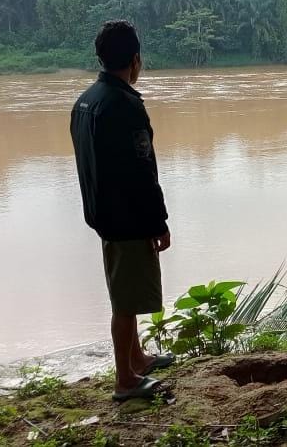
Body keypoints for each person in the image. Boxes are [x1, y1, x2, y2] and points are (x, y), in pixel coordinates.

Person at [70, 20, 175, 401]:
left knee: (123, 291)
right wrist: (158, 220)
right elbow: (143, 168)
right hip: (129, 217)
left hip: (103, 213)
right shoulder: (125, 105)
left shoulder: (86, 102)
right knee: (126, 302)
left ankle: (138, 358)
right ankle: (125, 380)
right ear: (135, 60)